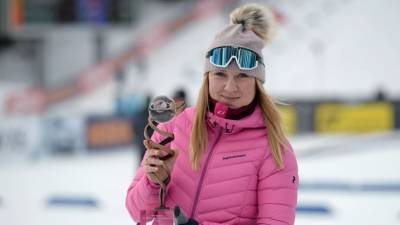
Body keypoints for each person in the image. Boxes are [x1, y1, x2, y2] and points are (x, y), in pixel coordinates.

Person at [126, 3, 298, 225]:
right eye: (220, 74)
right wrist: (152, 182)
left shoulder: (274, 149)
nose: (230, 87)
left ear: (257, 82)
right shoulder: (172, 129)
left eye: (243, 76)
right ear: (207, 77)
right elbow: (137, 213)